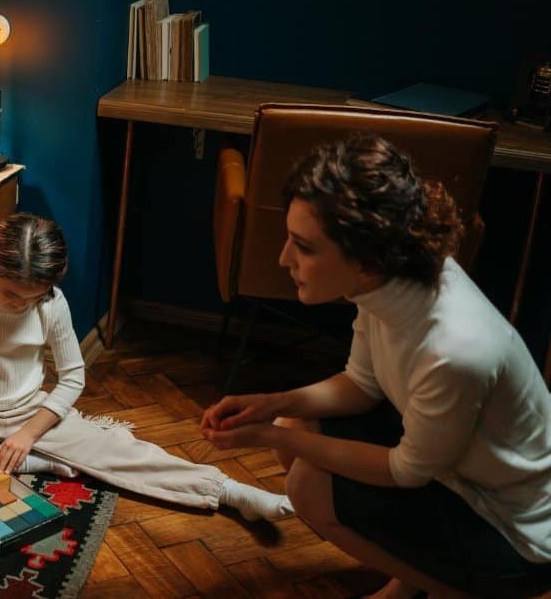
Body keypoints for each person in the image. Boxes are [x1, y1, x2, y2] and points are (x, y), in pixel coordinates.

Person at [200, 134, 551, 598]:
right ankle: (412, 578)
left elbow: (406, 471)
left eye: (303, 247)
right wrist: (271, 405)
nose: (284, 259)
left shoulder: (456, 349)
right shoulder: (393, 278)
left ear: (365, 256)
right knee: (296, 420)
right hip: (459, 475)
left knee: (306, 481)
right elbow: (362, 386)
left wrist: (268, 435)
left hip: (515, 538)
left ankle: (459, 589)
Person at [0, 213, 293, 522]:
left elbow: (72, 377)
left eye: (30, 299)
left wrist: (29, 434)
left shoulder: (52, 303)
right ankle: (41, 461)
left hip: (31, 413)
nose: (20, 304)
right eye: (11, 294)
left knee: (123, 452)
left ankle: (226, 490)